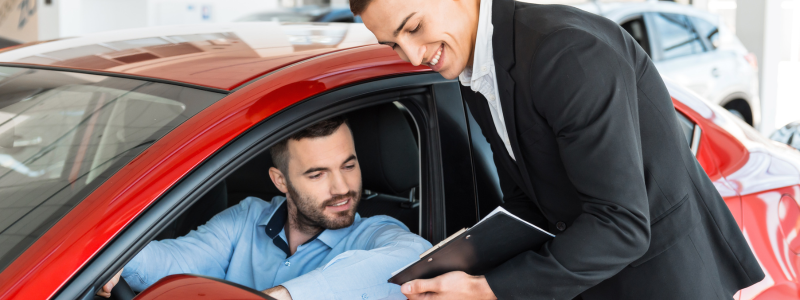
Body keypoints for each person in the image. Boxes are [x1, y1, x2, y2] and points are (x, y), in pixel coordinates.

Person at [354, 0, 765, 299]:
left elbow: (622, 225)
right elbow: (529, 200)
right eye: (393, 44)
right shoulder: (476, 67)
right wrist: (458, 258)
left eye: (413, 28)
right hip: (593, 279)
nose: (411, 56)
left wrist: (489, 290)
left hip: (664, 284)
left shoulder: (564, 52)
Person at [96, 116, 432, 300]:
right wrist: (115, 260)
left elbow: (414, 255)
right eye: (317, 174)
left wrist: (281, 297)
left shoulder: (373, 235)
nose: (342, 187)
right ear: (280, 180)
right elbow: (175, 259)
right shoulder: (246, 218)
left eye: (348, 165)